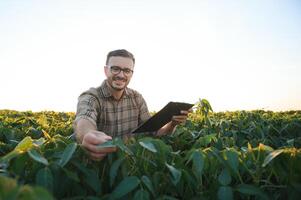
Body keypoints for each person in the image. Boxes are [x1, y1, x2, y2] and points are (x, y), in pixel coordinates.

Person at [73, 49, 190, 161]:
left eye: (127, 71)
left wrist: (172, 124)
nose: (121, 75)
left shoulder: (137, 98)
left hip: (129, 165)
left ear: (131, 73)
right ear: (105, 70)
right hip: (99, 167)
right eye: (115, 69)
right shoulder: (91, 96)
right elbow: (84, 118)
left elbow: (153, 132)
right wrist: (87, 135)